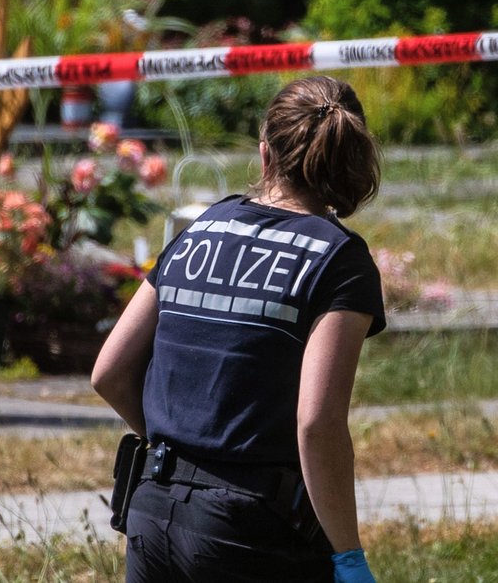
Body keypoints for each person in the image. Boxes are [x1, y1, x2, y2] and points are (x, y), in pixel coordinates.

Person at [92, 76, 384, 582]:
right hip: (249, 530)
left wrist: (183, 450)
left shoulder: (202, 229)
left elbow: (110, 373)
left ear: (265, 153)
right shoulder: (340, 260)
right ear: (349, 157)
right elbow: (316, 424)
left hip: (152, 510)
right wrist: (347, 555)